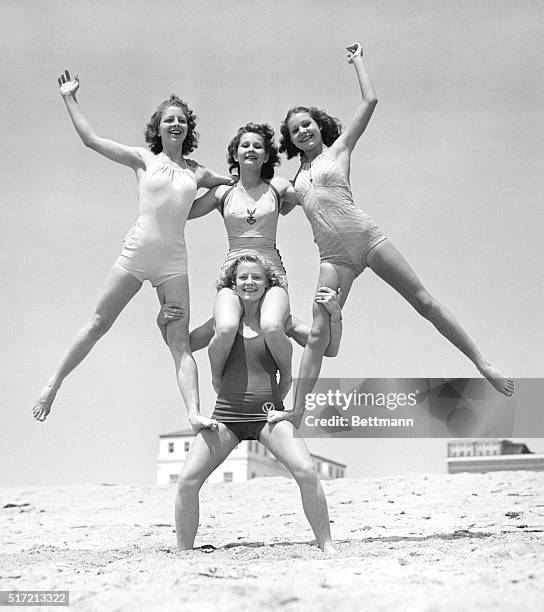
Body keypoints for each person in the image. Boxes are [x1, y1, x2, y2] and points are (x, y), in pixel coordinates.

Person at [274, 43, 513, 427]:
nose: (302, 131)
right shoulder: (294, 181)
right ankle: (298, 409)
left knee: (424, 302)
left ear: (319, 126)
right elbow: (269, 205)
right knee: (318, 334)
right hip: (333, 259)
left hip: (367, 238)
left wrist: (358, 61)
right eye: (294, 130)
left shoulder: (339, 150)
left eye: (307, 124)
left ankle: (482, 363)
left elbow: (370, 100)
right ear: (289, 139)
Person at [32, 70, 231, 428]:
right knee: (98, 324)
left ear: (189, 129)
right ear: (157, 128)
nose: (176, 124)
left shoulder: (197, 172)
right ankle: (53, 383)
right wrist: (69, 97)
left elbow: (230, 186)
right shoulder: (143, 159)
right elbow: (91, 140)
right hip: (136, 254)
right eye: (169, 119)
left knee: (179, 342)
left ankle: (194, 414)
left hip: (173, 264)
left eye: (182, 120)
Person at [173, 252, 339, 553]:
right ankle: (183, 551)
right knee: (186, 481)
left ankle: (326, 544)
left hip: (268, 417)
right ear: (233, 285)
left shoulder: (282, 322)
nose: (249, 282)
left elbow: (327, 348)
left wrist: (334, 315)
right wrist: (166, 323)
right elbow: (181, 345)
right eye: (243, 278)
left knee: (306, 472)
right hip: (225, 418)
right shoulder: (220, 323)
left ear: (267, 284)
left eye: (257, 278)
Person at [186, 123, 299, 398]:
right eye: (245, 145)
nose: (251, 149)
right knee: (224, 327)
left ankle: (286, 375)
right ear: (235, 154)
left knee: (273, 326)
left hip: (271, 274)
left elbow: (315, 199)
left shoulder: (278, 187)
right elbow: (181, 211)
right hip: (233, 274)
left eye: (258, 146)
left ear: (266, 156)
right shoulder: (222, 193)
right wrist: (196, 178)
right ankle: (217, 378)